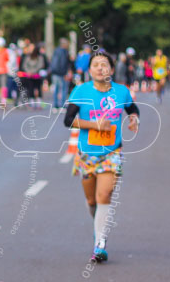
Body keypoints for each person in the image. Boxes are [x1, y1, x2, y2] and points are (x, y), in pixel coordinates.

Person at [63, 51, 139, 263]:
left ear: (111, 70)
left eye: (104, 64)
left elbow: (133, 109)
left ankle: (100, 243)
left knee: (104, 195)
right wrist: (94, 124)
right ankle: (99, 223)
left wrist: (134, 120)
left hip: (111, 153)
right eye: (95, 64)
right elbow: (68, 120)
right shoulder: (81, 91)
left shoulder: (121, 92)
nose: (99, 68)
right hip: (87, 154)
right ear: (90, 70)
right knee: (91, 200)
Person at [50, 38, 71, 109]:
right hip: (62, 73)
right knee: (64, 89)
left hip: (55, 72)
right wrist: (65, 73)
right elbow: (63, 63)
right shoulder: (64, 52)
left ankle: (55, 104)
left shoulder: (56, 51)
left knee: (56, 89)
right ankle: (63, 104)